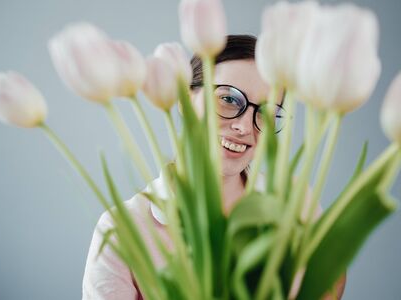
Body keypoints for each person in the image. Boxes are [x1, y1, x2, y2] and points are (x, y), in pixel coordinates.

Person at [82, 35, 345, 299]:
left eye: (265, 112)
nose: (244, 127)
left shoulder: (294, 200)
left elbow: (329, 281)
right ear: (186, 99)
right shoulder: (123, 229)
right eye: (228, 99)